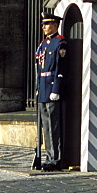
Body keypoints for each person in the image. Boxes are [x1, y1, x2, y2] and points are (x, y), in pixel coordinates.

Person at [35, 12, 67, 172]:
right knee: (46, 126)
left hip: (52, 88)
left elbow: (60, 69)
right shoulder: (44, 44)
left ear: (55, 25)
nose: (43, 27)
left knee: (53, 126)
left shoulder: (60, 44)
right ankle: (49, 157)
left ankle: (56, 159)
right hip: (42, 89)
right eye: (43, 24)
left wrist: (56, 89)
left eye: (46, 24)